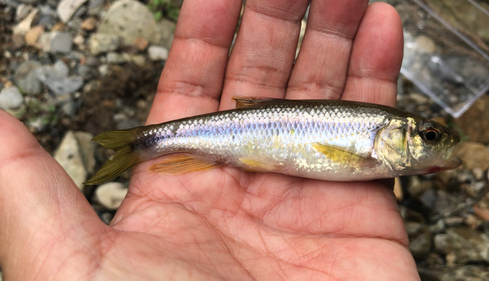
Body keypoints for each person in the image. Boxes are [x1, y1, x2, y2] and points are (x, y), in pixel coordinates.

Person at [0, 0, 420, 279]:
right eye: (428, 136)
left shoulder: (374, 149)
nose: (430, 142)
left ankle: (142, 144)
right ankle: (142, 144)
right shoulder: (371, 146)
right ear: (394, 135)